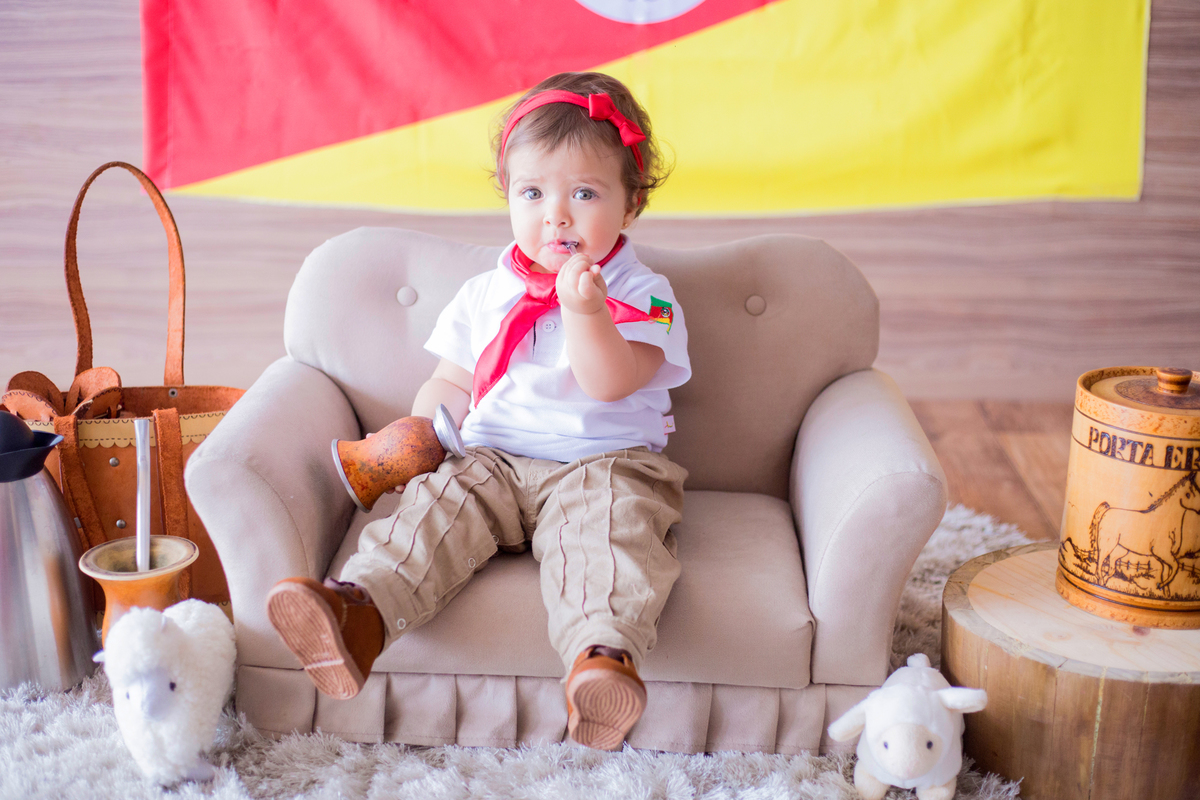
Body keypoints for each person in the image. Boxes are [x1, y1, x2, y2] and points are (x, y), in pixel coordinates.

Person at [265, 71, 689, 751]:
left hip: (605, 464)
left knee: (608, 541)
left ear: (631, 204)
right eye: (533, 193)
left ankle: (601, 661)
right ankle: (359, 614)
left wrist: (585, 311)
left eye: (584, 194)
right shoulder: (484, 293)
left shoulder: (645, 292)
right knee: (435, 511)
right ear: (508, 196)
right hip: (492, 459)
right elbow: (452, 379)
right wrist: (426, 429)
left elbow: (611, 381)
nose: (556, 215)